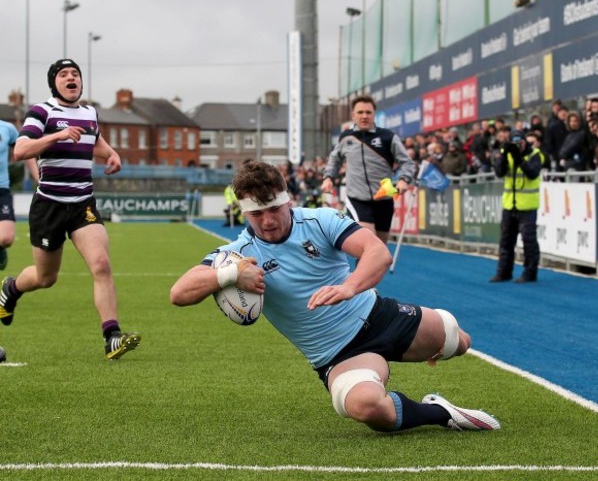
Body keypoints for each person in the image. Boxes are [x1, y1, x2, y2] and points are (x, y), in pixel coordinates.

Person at [170, 160, 500, 433]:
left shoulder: (320, 220)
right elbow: (179, 293)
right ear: (244, 212)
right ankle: (439, 413)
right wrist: (230, 275)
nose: (268, 220)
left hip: (381, 316)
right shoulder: (239, 252)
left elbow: (377, 252)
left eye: (273, 208)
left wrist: (349, 287)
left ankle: (440, 342)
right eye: (257, 214)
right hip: (338, 355)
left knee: (460, 341)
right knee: (367, 407)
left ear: (288, 200)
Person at [0, 58, 141, 360]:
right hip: (49, 205)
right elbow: (21, 149)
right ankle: (11, 289)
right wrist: (57, 135)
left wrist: (112, 154)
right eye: (63, 74)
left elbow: (96, 141)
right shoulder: (42, 112)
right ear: (54, 83)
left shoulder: (90, 113)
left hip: (82, 204)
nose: (70, 78)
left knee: (101, 264)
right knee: (45, 277)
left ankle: (111, 337)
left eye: (75, 73)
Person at [320, 95, 416, 245]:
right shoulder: (346, 138)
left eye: (368, 112)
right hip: (357, 199)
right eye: (360, 112)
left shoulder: (387, 137)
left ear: (374, 114)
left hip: (384, 198)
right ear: (353, 115)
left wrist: (404, 180)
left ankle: (368, 268)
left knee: (379, 250)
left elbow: (408, 163)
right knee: (368, 243)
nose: (364, 116)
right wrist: (328, 177)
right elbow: (334, 159)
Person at [490, 130, 545, 283]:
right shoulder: (507, 154)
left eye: (520, 143)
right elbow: (499, 173)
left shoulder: (535, 154)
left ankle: (530, 273)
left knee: (529, 241)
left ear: (525, 141)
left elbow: (533, 173)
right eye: (514, 144)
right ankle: (504, 272)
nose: (517, 146)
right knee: (506, 241)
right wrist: (503, 154)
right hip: (509, 205)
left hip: (527, 206)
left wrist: (519, 159)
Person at [0, 120, 38, 271]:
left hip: (1, 189)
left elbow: (25, 151)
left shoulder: (7, 128)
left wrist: (37, 176)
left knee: (6, 238)